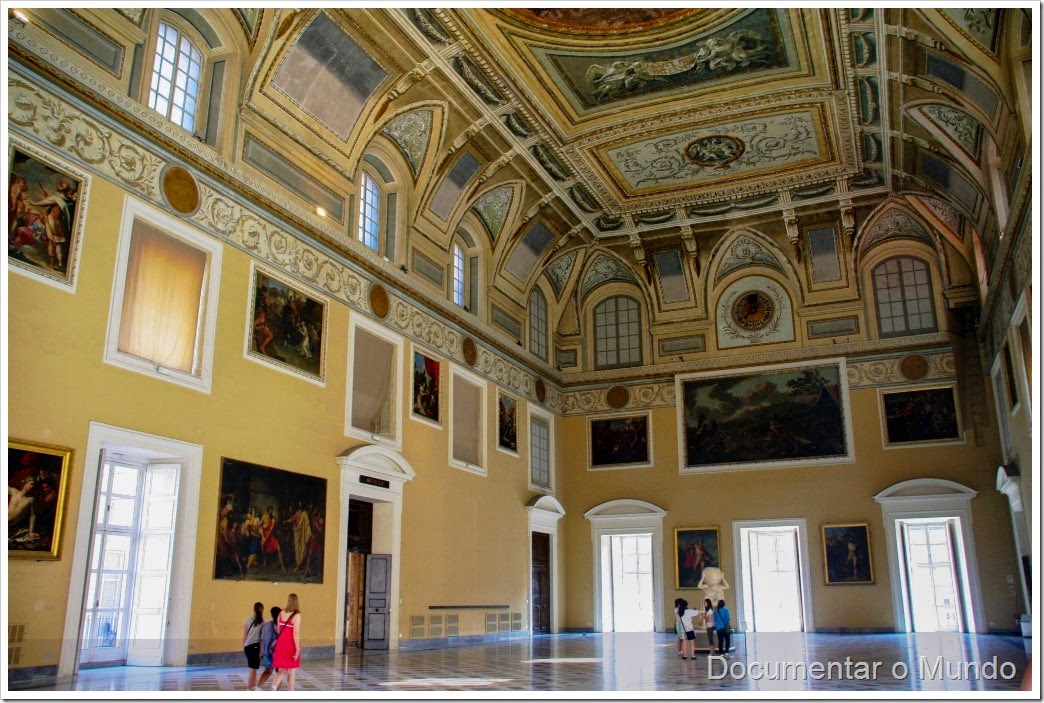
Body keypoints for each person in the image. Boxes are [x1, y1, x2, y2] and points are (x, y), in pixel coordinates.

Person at [270, 593, 302, 691]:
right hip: (290, 644)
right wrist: (297, 649)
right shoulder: (297, 615)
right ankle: (290, 693)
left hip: (281, 643)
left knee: (281, 669)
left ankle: (274, 686)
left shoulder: (281, 613)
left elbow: (279, 630)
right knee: (292, 671)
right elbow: (295, 633)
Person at [256, 606, 281, 690]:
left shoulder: (266, 625)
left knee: (267, 671)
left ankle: (258, 688)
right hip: (277, 653)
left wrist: (260, 652)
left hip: (266, 652)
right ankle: (276, 690)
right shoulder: (281, 627)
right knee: (279, 672)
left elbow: (262, 640)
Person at [243, 602, 264, 690]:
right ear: (262, 610)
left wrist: (244, 646)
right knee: (253, 670)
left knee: (253, 669)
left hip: (247, 646)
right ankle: (249, 689)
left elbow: (245, 635)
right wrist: (261, 651)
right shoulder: (263, 622)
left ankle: (253, 688)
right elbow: (262, 639)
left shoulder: (247, 620)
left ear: (253, 609)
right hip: (256, 647)